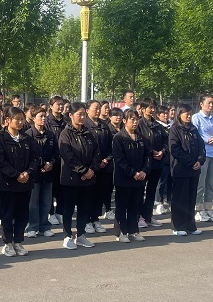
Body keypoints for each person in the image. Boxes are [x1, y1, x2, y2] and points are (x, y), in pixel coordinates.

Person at [0, 107, 39, 257]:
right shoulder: (1, 138)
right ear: (8, 120)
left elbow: (35, 158)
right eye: (16, 119)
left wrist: (28, 173)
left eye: (22, 119)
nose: (20, 122)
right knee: (7, 214)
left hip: (25, 183)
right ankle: (8, 243)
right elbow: (0, 161)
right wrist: (15, 175)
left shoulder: (27, 138)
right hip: (7, 184)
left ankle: (18, 241)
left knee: (22, 214)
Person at [58, 102, 100, 250]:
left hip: (88, 179)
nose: (82, 117)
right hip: (71, 178)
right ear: (71, 115)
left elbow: (96, 153)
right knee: (68, 209)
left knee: (84, 208)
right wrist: (83, 171)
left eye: (84, 114)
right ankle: (67, 236)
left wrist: (91, 170)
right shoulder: (65, 134)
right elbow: (68, 157)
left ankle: (81, 235)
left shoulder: (88, 133)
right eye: (79, 114)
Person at [112, 109, 150, 243]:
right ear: (124, 121)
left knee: (135, 205)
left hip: (139, 179)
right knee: (122, 205)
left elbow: (147, 156)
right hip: (124, 178)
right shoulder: (119, 138)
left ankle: (133, 230)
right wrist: (133, 172)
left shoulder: (142, 138)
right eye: (132, 119)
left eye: (136, 119)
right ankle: (121, 232)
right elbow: (120, 159)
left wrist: (144, 171)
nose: (135, 122)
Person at [168, 104, 206, 236]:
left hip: (194, 170)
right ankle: (178, 226)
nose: (189, 116)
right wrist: (190, 162)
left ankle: (190, 226)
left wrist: (200, 160)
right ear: (179, 114)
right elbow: (175, 149)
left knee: (191, 198)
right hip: (181, 169)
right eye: (186, 114)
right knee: (180, 198)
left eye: (190, 113)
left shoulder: (193, 129)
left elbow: (201, 146)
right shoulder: (175, 129)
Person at [26, 106, 58, 238]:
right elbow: (29, 155)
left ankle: (44, 226)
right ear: (33, 118)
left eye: (45, 116)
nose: (44, 119)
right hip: (34, 174)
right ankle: (32, 226)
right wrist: (42, 164)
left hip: (48, 174)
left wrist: (51, 163)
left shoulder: (50, 135)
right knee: (33, 203)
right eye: (41, 116)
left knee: (46, 202)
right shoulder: (28, 135)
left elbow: (56, 152)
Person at [192, 95, 213, 222]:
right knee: (200, 183)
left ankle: (208, 208)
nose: (211, 105)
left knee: (210, 183)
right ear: (201, 104)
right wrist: (208, 140)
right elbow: (195, 134)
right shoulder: (196, 117)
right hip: (202, 155)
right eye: (209, 103)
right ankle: (198, 210)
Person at [137, 97, 165, 228]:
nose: (153, 110)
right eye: (150, 107)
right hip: (143, 163)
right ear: (143, 109)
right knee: (140, 190)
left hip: (157, 163)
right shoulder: (138, 124)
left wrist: (163, 151)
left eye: (154, 107)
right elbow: (139, 141)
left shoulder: (158, 126)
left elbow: (165, 141)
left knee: (152, 191)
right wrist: (151, 151)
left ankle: (148, 215)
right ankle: (139, 216)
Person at [84, 99, 111, 232]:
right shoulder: (84, 126)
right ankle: (87, 220)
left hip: (103, 166)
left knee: (100, 193)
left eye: (99, 108)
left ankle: (95, 219)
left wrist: (106, 159)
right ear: (87, 110)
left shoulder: (104, 126)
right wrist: (94, 163)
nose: (98, 110)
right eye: (95, 108)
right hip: (89, 167)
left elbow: (110, 146)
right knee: (88, 194)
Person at [46, 96, 67, 225]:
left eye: (61, 104)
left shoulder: (66, 122)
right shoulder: (47, 121)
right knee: (50, 188)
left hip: (64, 160)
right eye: (57, 104)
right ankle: (51, 213)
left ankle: (60, 211)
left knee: (62, 187)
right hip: (52, 159)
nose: (60, 107)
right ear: (51, 106)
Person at [154, 105, 173, 215]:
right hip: (162, 158)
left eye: (167, 113)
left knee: (171, 181)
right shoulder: (157, 126)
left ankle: (170, 201)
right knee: (161, 182)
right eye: (163, 113)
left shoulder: (172, 125)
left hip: (172, 158)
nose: (166, 115)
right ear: (158, 115)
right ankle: (159, 203)